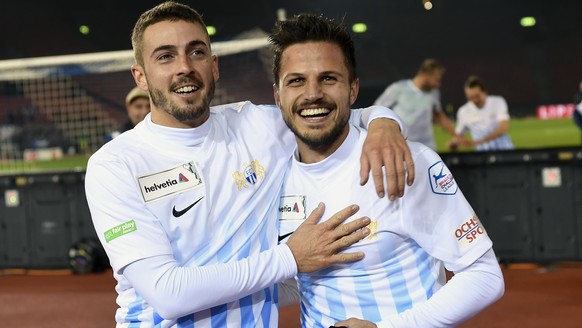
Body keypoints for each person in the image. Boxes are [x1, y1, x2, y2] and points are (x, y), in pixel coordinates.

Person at [84, 1, 415, 327]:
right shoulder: (115, 166)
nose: (184, 66)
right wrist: (290, 258)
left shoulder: (257, 127)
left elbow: (335, 113)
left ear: (214, 66)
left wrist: (384, 124)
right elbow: (168, 294)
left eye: (196, 52)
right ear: (140, 76)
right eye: (166, 56)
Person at [271, 13, 505, 328]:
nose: (313, 93)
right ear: (277, 94)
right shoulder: (273, 176)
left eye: (328, 78)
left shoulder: (406, 162)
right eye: (296, 80)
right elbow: (305, 282)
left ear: (352, 90)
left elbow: (484, 275)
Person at [374, 58, 456, 150]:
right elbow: (377, 109)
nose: (438, 84)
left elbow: (439, 116)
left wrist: (457, 135)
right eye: (437, 80)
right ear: (426, 74)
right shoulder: (398, 88)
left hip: (427, 146)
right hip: (401, 145)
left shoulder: (434, 93)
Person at [448, 75, 515, 151]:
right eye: (470, 97)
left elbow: (503, 127)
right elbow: (459, 135)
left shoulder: (498, 102)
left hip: (505, 151)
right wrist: (454, 143)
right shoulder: (463, 111)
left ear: (485, 92)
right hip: (482, 156)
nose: (475, 100)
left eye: (477, 96)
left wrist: (480, 141)